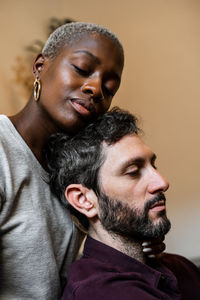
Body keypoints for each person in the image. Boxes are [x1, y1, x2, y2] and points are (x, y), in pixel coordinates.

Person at [0, 22, 162, 300]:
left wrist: (140, 243)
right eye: (82, 69)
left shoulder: (78, 171)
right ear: (40, 67)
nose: (96, 88)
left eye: (109, 87)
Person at [47, 107, 200, 300]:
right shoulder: (98, 292)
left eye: (153, 165)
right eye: (133, 171)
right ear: (83, 199)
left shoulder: (179, 267)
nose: (162, 182)